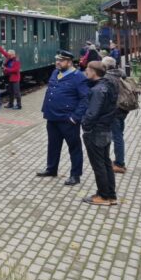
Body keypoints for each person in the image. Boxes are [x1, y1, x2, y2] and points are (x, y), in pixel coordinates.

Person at [37, 50, 90, 186]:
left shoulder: (78, 77)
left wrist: (75, 117)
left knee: (74, 147)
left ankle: (75, 175)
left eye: (61, 60)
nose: (58, 62)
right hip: (52, 117)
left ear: (70, 62)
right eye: (57, 60)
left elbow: (85, 99)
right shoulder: (56, 73)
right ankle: (51, 169)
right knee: (53, 145)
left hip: (68, 119)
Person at [81, 61, 119, 205]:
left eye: (88, 69)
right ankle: (111, 195)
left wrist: (85, 125)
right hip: (106, 129)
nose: (86, 72)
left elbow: (92, 113)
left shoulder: (98, 90)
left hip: (96, 131)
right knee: (106, 163)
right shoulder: (109, 86)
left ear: (94, 72)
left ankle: (103, 196)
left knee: (99, 165)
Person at [102, 56, 128, 174]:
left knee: (117, 137)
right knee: (119, 135)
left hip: (115, 110)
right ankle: (120, 161)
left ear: (105, 66)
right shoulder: (121, 74)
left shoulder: (108, 77)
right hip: (123, 109)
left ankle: (119, 164)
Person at [0, 44, 21, 109]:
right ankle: (10, 104)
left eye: (9, 55)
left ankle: (19, 105)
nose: (8, 56)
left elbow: (15, 70)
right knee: (10, 92)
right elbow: (3, 52)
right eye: (8, 55)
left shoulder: (16, 61)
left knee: (16, 92)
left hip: (15, 79)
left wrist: (6, 69)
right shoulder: (9, 57)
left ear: (13, 55)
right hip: (9, 78)